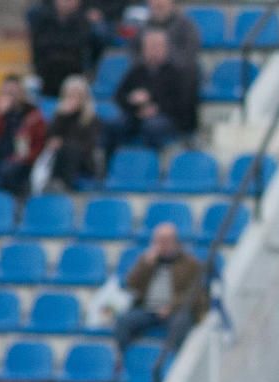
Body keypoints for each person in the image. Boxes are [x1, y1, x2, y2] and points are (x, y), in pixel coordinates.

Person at [114, 220, 206, 355]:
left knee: (181, 323)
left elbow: (195, 293)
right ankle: (122, 361)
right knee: (124, 321)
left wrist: (171, 305)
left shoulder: (190, 264)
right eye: (158, 240)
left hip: (175, 309)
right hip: (149, 308)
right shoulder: (147, 260)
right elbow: (131, 284)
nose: (161, 244)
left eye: (165, 240)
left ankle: (174, 363)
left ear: (174, 241)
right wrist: (146, 265)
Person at [104, 28, 198, 156]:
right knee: (114, 125)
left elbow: (184, 103)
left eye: (157, 46)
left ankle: (149, 166)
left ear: (166, 48)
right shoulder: (137, 71)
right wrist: (132, 102)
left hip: (169, 117)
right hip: (136, 114)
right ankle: (110, 164)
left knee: (153, 127)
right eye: (149, 47)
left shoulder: (177, 72)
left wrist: (156, 108)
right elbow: (119, 95)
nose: (152, 50)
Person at [39, 73, 102, 191]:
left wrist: (64, 143)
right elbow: (50, 136)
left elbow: (89, 144)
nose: (73, 99)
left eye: (76, 95)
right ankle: (52, 183)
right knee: (60, 150)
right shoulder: (60, 116)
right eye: (70, 95)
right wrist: (62, 116)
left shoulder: (92, 119)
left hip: (84, 159)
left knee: (70, 149)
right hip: (60, 156)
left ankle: (63, 185)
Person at [29, 0, 97, 97]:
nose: (66, 2)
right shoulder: (44, 21)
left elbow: (82, 48)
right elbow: (38, 47)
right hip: (48, 72)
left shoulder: (83, 22)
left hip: (74, 71)